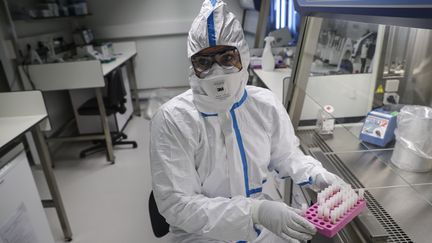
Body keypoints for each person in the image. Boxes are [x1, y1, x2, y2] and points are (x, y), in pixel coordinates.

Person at [150, 1, 347, 242]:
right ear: (192, 66)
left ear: (242, 54)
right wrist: (255, 211)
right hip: (203, 235)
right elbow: (177, 205)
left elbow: (286, 156)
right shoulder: (173, 119)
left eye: (226, 57)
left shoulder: (264, 104)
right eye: (204, 62)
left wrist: (317, 174)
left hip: (267, 230)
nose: (217, 71)